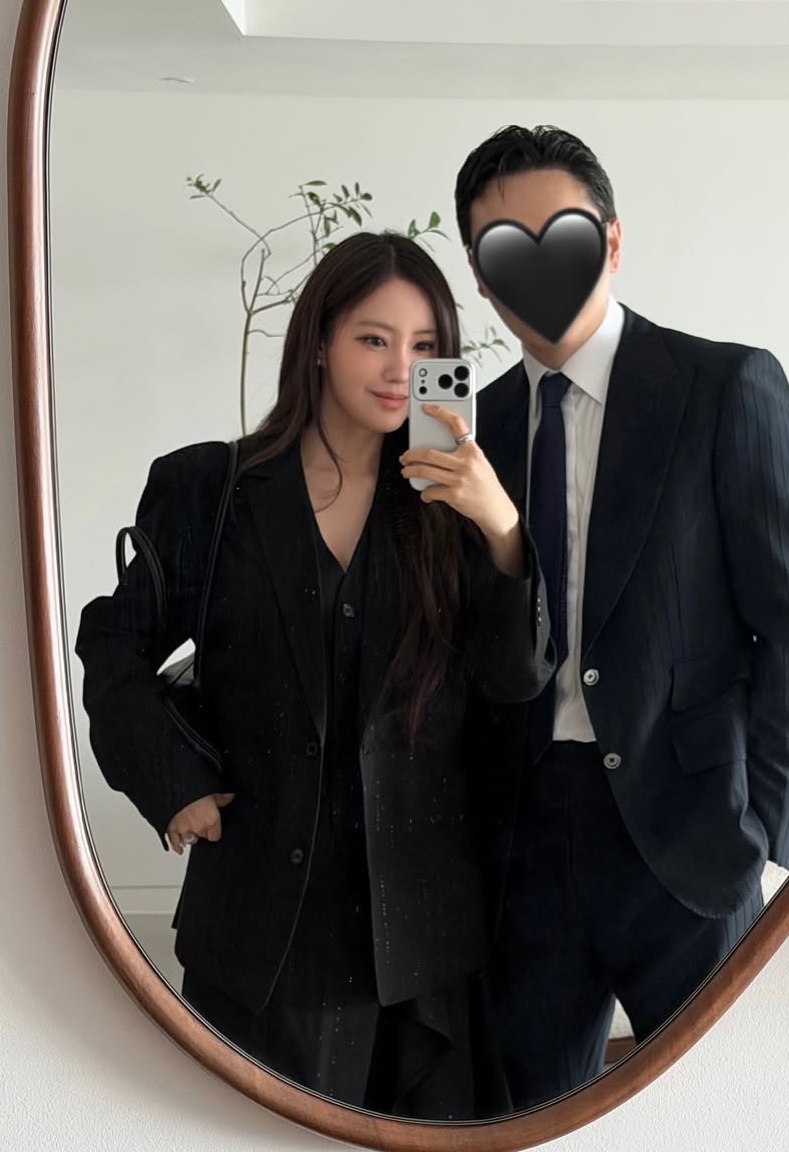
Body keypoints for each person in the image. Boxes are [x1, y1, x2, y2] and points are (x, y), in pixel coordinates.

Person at [75, 230, 554, 1118]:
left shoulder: (452, 505)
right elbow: (112, 641)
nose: (399, 368)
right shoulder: (211, 488)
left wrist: (500, 529)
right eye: (374, 338)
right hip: (264, 927)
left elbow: (514, 679)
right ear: (321, 341)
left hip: (420, 938)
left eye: (423, 346)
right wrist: (174, 780)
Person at [455, 125, 789, 1108]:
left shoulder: (725, 386)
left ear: (613, 242)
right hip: (522, 842)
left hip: (694, 832)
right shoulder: (475, 428)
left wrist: (766, 830)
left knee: (718, 1112)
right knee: (532, 1117)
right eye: (506, 248)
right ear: (482, 279)